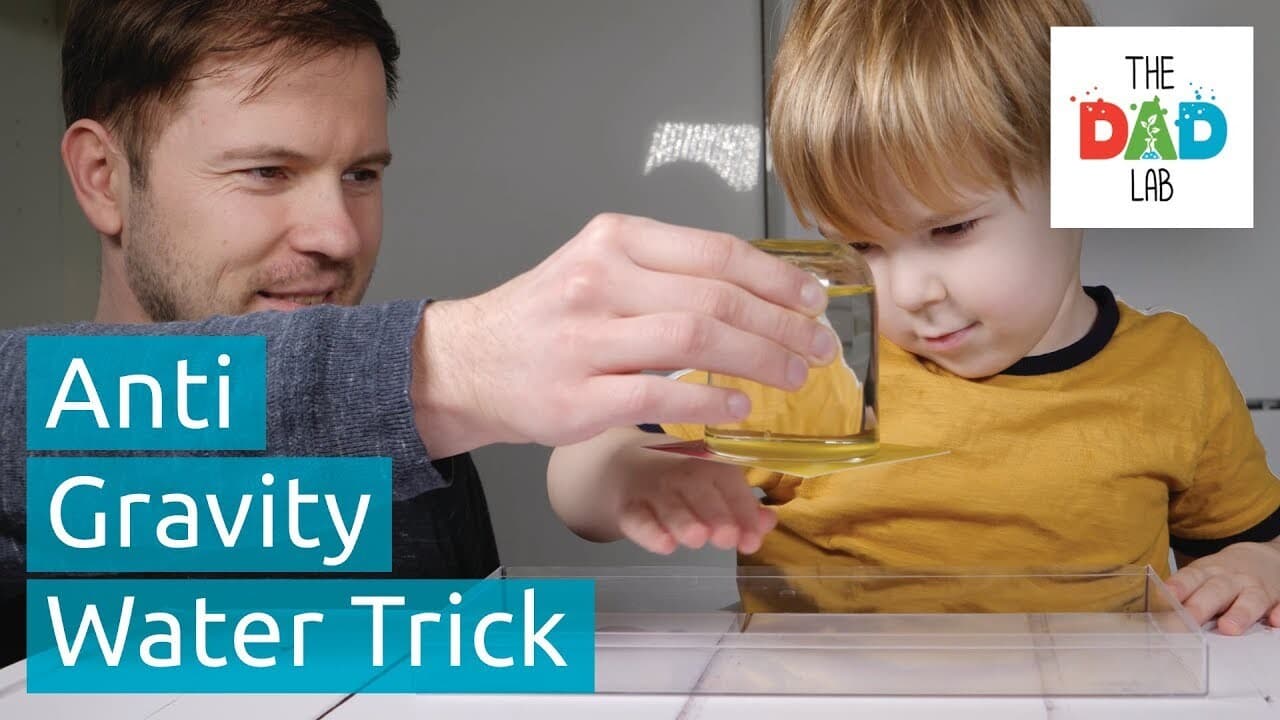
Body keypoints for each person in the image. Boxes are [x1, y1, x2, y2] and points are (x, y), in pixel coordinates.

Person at [0, 0, 840, 666]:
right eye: (267, 171)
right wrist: (446, 367)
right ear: (103, 179)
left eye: (361, 174)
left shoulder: (413, 468)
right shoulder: (27, 473)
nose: (338, 234)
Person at [548, 0, 1280, 631]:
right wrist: (628, 477)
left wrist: (1260, 569)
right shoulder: (811, 359)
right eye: (859, 244)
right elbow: (581, 467)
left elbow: (1248, 553)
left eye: (952, 229)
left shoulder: (1177, 373)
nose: (905, 291)